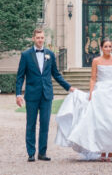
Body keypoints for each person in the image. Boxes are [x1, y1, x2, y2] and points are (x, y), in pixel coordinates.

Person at [54, 39, 112, 161]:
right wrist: (91, 92)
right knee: (101, 123)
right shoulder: (96, 61)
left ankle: (111, 152)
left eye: (110, 46)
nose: (108, 48)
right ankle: (102, 151)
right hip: (100, 91)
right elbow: (93, 78)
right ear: (101, 48)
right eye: (106, 46)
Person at [15, 27, 74, 162]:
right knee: (30, 125)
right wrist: (18, 94)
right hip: (31, 95)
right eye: (38, 38)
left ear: (44, 39)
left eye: (42, 38)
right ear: (33, 39)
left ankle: (42, 153)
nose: (40, 40)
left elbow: (56, 74)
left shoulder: (50, 54)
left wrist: (69, 87)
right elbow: (20, 77)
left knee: (45, 125)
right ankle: (31, 153)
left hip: (47, 95)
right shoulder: (25, 55)